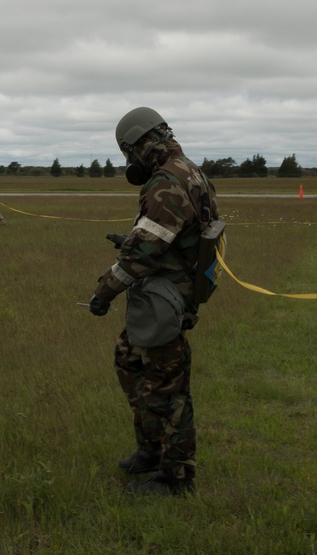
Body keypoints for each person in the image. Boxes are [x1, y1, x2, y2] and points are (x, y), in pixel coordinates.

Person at [87, 107, 219, 496]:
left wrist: (104, 290)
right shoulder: (189, 170)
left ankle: (176, 476)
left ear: (142, 145)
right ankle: (151, 449)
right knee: (128, 359)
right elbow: (164, 235)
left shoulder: (167, 181)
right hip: (167, 292)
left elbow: (144, 253)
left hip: (166, 298)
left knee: (166, 385)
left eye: (129, 152)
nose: (130, 162)